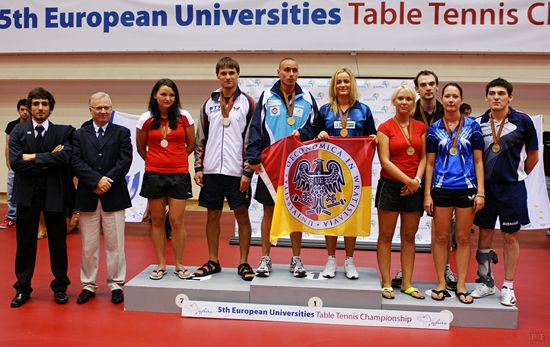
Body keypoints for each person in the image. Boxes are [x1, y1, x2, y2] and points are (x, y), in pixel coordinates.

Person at [295, 67, 376, 279]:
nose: (342, 85)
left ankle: (349, 260)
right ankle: (331, 259)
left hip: (353, 174)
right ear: (334, 85)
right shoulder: (324, 110)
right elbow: (312, 133)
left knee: (350, 216)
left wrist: (374, 139)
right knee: (330, 215)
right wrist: (319, 132)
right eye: (339, 82)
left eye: (346, 82)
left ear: (352, 84)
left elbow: (372, 137)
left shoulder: (364, 110)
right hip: (328, 172)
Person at [244, 57, 319, 278]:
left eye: (295, 70)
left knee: (296, 213)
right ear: (278, 72)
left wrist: (303, 133)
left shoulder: (307, 98)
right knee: (269, 212)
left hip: (299, 166)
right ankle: (265, 258)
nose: (291, 74)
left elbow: (316, 126)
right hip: (271, 164)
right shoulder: (267, 97)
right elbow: (256, 127)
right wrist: (253, 157)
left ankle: (296, 259)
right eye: (287, 70)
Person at [471, 78, 539, 306]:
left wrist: (517, 175)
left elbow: (533, 156)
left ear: (510, 97)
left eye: (501, 93)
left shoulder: (523, 121)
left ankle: (508, 285)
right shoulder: (477, 123)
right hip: (485, 189)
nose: (497, 97)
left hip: (512, 189)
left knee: (510, 237)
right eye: (492, 93)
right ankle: (486, 282)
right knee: (484, 234)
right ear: (486, 97)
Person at [393, 70, 458, 292]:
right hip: (415, 176)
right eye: (423, 84)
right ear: (417, 88)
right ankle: (405, 269)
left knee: (443, 228)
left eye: (432, 84)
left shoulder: (447, 110)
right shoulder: (410, 111)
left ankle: (446, 266)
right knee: (408, 229)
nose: (428, 88)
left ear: (437, 87)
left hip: (444, 176)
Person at [9, 87, 74, 307]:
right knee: (25, 242)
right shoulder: (18, 131)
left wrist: (33, 157)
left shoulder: (63, 132)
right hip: (27, 194)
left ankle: (60, 287)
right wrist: (48, 160)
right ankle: (22, 288)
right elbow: (17, 163)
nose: (40, 108)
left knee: (58, 242)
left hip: (55, 193)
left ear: (51, 108)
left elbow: (65, 158)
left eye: (44, 104)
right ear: (29, 107)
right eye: (36, 103)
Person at [193, 57, 255, 281]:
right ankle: (213, 260)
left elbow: (253, 138)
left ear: (238, 75)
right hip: (211, 170)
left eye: (232, 73)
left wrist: (248, 171)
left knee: (242, 215)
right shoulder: (208, 103)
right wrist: (199, 167)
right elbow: (201, 137)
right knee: (212, 215)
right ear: (217, 76)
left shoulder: (248, 102)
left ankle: (244, 262)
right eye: (223, 73)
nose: (228, 77)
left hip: (237, 171)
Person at [424, 83, 485, 304]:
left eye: (455, 96)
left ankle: (460, 284)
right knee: (441, 238)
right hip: (440, 189)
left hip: (466, 189)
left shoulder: (473, 127)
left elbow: (479, 161)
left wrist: (481, 192)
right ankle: (440, 282)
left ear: (461, 99)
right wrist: (427, 195)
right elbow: (430, 164)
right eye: (447, 96)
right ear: (443, 99)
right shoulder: (434, 129)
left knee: (463, 237)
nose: (451, 100)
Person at [71, 92, 132, 304]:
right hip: (88, 195)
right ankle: (88, 285)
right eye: (98, 108)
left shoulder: (122, 133)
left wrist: (107, 180)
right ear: (90, 110)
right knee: (89, 245)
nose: (103, 111)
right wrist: (95, 181)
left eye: (107, 107)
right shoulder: (80, 134)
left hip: (113, 195)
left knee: (116, 244)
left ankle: (116, 284)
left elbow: (125, 161)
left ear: (111, 109)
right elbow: (76, 161)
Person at [136, 79, 195, 280]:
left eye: (171, 95)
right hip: (154, 174)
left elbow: (191, 145)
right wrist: (157, 162)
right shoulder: (145, 118)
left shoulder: (184, 116)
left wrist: (175, 160)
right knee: (158, 221)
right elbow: (141, 148)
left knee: (177, 221)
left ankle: (179, 264)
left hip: (179, 175)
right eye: (163, 94)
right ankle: (161, 264)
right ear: (155, 95)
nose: (168, 98)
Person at [376, 84, 426, 299]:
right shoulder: (385, 127)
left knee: (409, 236)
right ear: (394, 102)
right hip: (391, 186)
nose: (404, 102)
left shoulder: (421, 127)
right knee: (385, 236)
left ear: (413, 103)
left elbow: (424, 158)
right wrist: (408, 180)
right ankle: (387, 282)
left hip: (414, 185)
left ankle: (406, 282)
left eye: (408, 99)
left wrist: (416, 180)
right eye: (400, 98)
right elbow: (385, 161)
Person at [1, 99, 29, 229]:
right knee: (11, 190)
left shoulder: (34, 125)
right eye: (22, 109)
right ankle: (11, 217)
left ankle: (27, 217)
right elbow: (7, 145)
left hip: (29, 164)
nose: (24, 112)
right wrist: (8, 162)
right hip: (15, 164)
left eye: (26, 109)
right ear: (18, 110)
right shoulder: (12, 125)